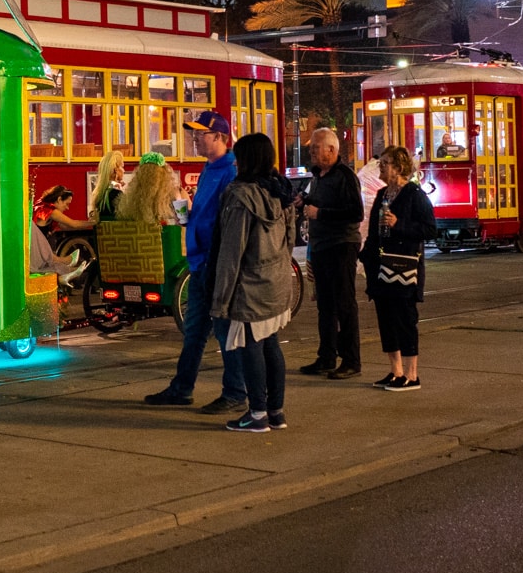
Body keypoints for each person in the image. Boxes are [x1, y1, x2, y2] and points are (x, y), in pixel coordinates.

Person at [144, 109, 246, 414]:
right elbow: (194, 219)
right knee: (195, 332)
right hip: (200, 264)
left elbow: (224, 222)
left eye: (201, 134)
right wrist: (182, 206)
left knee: (225, 331)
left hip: (216, 265)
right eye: (194, 133)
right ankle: (182, 388)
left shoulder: (230, 172)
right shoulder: (209, 169)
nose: (195, 139)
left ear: (220, 138)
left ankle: (235, 392)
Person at [210, 133, 297, 432]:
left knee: (250, 346)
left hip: (249, 285)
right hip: (276, 281)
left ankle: (257, 414)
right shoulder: (280, 191)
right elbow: (290, 240)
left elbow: (231, 252)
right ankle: (276, 412)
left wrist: (220, 300)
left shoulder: (240, 196)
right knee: (270, 343)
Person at [361, 145, 437, 392]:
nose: (380, 167)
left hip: (405, 267)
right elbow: (374, 232)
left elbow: (429, 229)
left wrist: (399, 224)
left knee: (405, 319)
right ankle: (396, 372)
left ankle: (412, 375)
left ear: (399, 167)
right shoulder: (383, 194)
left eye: (385, 163)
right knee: (386, 318)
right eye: (380, 163)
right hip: (383, 266)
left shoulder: (414, 194)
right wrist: (365, 256)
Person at [298, 127, 365, 380]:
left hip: (341, 246)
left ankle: (351, 360)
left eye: (316, 147)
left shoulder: (345, 176)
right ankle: (326, 356)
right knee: (325, 305)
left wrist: (320, 213)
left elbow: (355, 213)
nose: (312, 151)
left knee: (344, 304)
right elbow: (315, 203)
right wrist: (303, 203)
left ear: (332, 150)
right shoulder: (317, 176)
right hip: (322, 246)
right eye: (311, 147)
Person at [115, 152, 183, 225]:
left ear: (139, 175)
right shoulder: (175, 194)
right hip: (169, 235)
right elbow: (183, 220)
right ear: (165, 173)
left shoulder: (130, 199)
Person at [90, 149, 125, 219]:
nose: (124, 170)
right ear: (116, 170)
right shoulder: (116, 194)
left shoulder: (100, 194)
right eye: (122, 167)